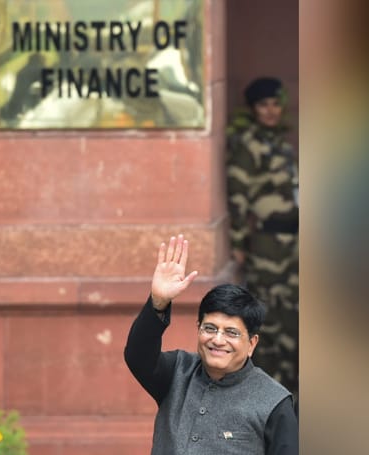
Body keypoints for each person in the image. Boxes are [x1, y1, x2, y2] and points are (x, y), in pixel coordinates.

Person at [124, 234, 298, 455]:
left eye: (231, 332)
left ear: (251, 343)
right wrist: (159, 302)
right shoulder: (177, 372)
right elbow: (138, 356)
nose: (217, 340)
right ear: (198, 329)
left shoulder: (274, 402)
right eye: (210, 328)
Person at [225, 77, 299, 399]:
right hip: (267, 245)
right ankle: (267, 395)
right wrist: (239, 242)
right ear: (253, 109)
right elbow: (238, 197)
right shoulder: (248, 145)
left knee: (293, 318)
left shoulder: (281, 144)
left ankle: (291, 394)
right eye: (263, 105)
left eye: (274, 104)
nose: (270, 111)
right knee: (267, 319)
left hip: (293, 245)